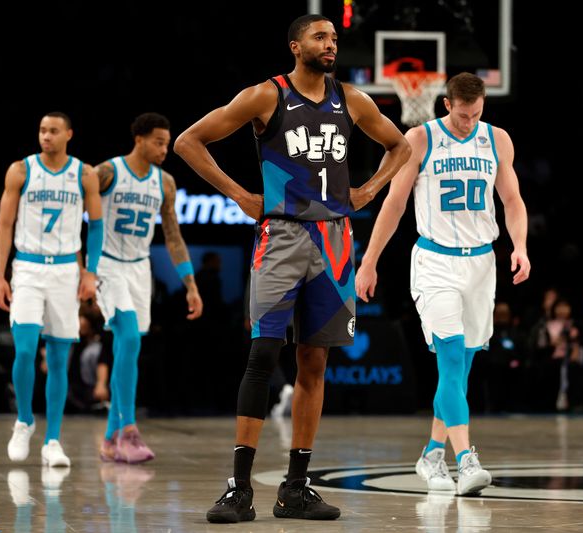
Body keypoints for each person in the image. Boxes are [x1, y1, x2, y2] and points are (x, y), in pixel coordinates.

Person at [175, 14, 410, 523]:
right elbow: (188, 141)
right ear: (295, 45)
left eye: (333, 38)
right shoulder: (267, 96)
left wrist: (368, 190)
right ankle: (238, 490)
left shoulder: (352, 99)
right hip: (280, 236)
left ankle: (295, 488)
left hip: (334, 242)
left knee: (315, 363)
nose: (331, 44)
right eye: (320, 37)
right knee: (262, 354)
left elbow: (402, 145)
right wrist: (239, 194)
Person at [355, 72, 530, 495]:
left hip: (481, 264)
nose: (469, 122)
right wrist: (369, 261)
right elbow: (395, 203)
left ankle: (433, 454)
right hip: (435, 261)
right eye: (463, 114)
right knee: (451, 360)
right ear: (447, 104)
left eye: (477, 113)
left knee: (460, 371)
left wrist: (520, 247)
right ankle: (467, 461)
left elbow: (512, 200)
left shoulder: (498, 140)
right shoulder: (419, 138)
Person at [0, 111, 103, 467]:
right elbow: (4, 224)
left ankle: (53, 439)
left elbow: (97, 227)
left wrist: (91, 272)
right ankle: (24, 419)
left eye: (53, 131)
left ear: (69, 134)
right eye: (42, 130)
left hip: (65, 272)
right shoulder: (20, 170)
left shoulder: (84, 174)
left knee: (59, 358)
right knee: (25, 351)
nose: (46, 136)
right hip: (27, 266)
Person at [94, 112, 203, 464]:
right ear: (138, 139)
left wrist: (190, 284)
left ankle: (110, 438)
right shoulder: (107, 172)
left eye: (167, 144)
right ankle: (128, 430)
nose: (164, 149)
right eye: (158, 142)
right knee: (127, 340)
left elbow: (173, 236)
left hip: (139, 269)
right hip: (108, 264)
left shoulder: (165, 183)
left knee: (131, 350)